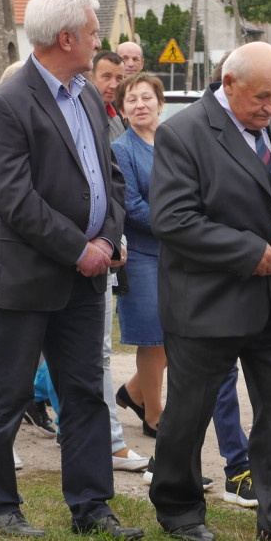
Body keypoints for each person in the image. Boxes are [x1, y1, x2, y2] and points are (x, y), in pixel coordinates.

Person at [147, 41, 271, 541]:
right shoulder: (183, 133)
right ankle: (179, 509)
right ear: (229, 85)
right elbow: (173, 218)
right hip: (207, 301)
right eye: (262, 98)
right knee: (189, 413)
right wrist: (249, 251)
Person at [0, 0, 140, 540]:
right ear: (66, 37)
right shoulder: (8, 101)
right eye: (94, 32)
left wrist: (109, 236)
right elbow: (11, 197)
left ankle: (91, 507)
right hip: (23, 279)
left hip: (86, 279)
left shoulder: (89, 94)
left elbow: (109, 177)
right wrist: (79, 247)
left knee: (85, 393)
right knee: (6, 395)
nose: (100, 41)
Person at [111, 73, 167, 437]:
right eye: (131, 100)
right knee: (152, 337)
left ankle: (133, 392)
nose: (140, 105)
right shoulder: (122, 149)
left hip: (178, 252)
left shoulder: (172, 140)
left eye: (146, 98)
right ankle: (155, 415)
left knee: (175, 334)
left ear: (160, 103)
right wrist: (179, 225)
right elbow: (130, 204)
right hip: (143, 252)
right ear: (122, 108)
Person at [89, 50, 125, 142]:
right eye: (107, 77)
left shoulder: (117, 121)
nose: (114, 85)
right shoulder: (79, 115)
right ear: (91, 77)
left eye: (119, 78)